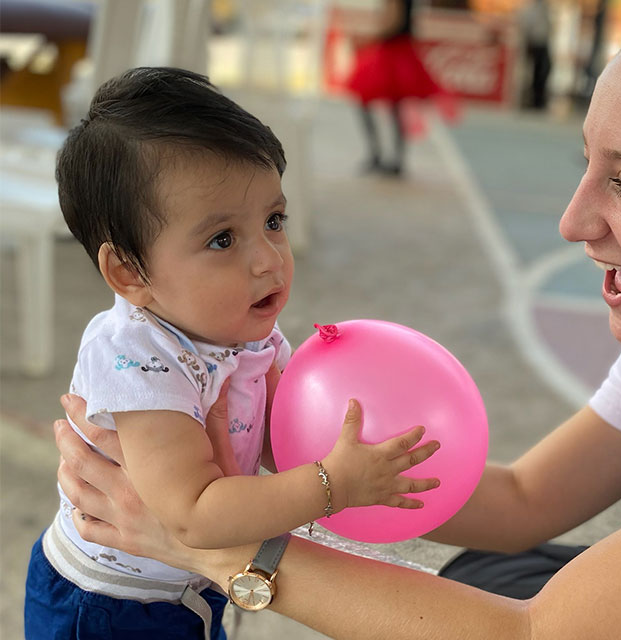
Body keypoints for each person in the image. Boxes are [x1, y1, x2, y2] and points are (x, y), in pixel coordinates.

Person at [54, 1, 621, 638]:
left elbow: (536, 638)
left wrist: (214, 546)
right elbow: (524, 501)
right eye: (588, 164)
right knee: (476, 576)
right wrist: (335, 476)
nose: (574, 221)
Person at [23, 67, 440, 640]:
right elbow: (193, 512)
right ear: (129, 271)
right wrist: (330, 485)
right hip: (107, 607)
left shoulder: (249, 334)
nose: (269, 258)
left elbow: (279, 445)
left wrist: (344, 446)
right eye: (223, 239)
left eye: (274, 221)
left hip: (190, 585)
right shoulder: (136, 357)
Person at [345, 0, 441, 176]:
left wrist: (369, 37)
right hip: (400, 49)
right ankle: (395, 158)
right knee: (393, 108)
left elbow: (392, 23)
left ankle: (380, 155)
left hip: (392, 51)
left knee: (368, 101)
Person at [517, 0, 552, 110]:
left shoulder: (543, 9)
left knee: (542, 72)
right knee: (535, 73)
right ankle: (534, 99)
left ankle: (538, 99)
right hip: (535, 44)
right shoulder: (531, 10)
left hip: (542, 44)